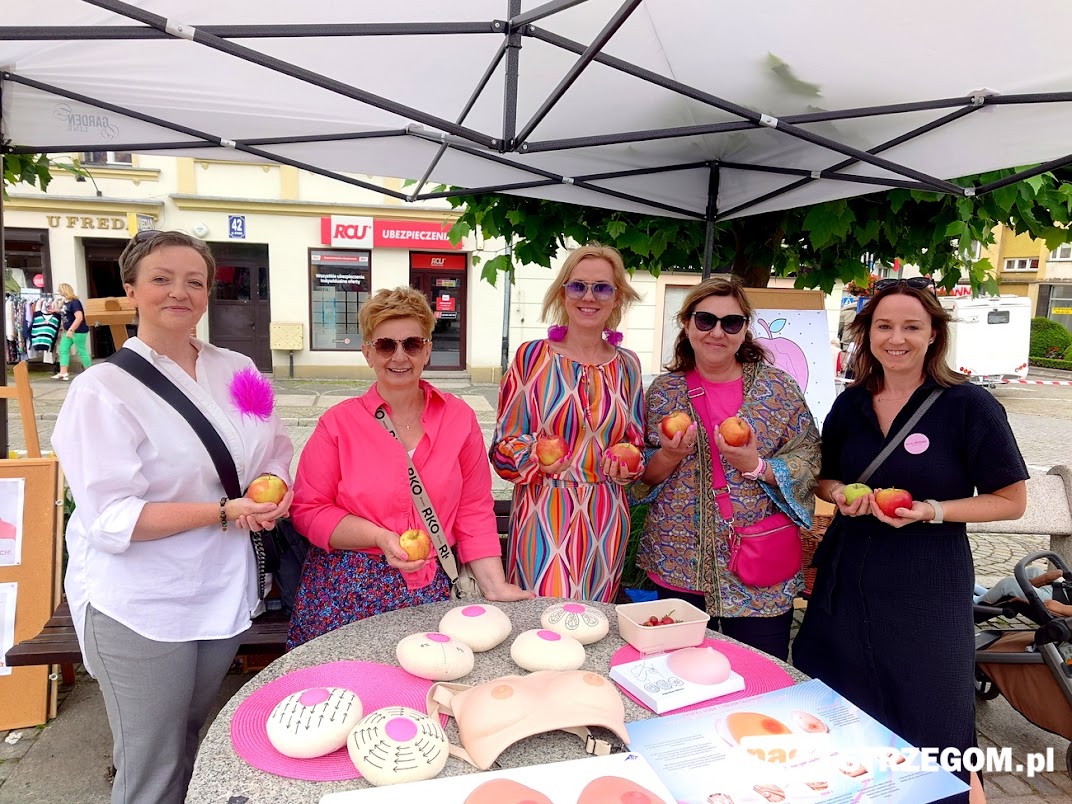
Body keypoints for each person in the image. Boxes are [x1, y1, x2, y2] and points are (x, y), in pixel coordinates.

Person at [51, 230, 294, 804]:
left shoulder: (236, 368)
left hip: (222, 591)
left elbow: (272, 445)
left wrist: (275, 489)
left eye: (194, 281)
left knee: (188, 738)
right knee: (151, 764)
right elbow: (113, 518)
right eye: (161, 279)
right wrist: (225, 510)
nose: (178, 292)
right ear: (131, 288)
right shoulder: (103, 390)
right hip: (142, 604)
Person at [793, 276, 1029, 804]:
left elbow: (1011, 499)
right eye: (884, 326)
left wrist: (934, 511)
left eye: (910, 326)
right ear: (866, 333)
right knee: (841, 708)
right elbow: (824, 477)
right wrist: (842, 495)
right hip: (847, 581)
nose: (895, 338)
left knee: (936, 718)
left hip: (927, 582)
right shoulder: (851, 404)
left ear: (933, 335)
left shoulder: (968, 405)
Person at [288, 287, 530, 647]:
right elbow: (309, 510)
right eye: (386, 345)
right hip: (349, 588)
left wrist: (494, 584)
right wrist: (378, 538)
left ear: (427, 350)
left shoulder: (457, 418)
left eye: (412, 344)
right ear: (368, 352)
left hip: (431, 586)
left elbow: (473, 507)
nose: (399, 356)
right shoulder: (338, 424)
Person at [632, 278, 820, 661]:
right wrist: (668, 455)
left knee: (758, 673)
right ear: (687, 324)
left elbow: (810, 457)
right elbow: (642, 473)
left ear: (745, 329)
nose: (717, 332)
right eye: (705, 320)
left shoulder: (777, 389)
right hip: (679, 559)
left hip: (758, 568)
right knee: (678, 672)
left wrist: (758, 466)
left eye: (731, 323)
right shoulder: (663, 392)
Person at [490, 244, 645, 602]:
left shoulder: (628, 366)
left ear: (616, 296)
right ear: (563, 292)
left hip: (607, 515)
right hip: (544, 509)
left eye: (602, 287)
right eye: (578, 286)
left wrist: (628, 467)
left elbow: (636, 442)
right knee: (543, 624)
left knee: (593, 623)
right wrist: (534, 456)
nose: (589, 297)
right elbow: (502, 448)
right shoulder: (532, 358)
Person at [52, 282, 92, 380]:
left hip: (78, 331)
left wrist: (71, 330)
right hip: (68, 330)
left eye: (60, 290)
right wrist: (56, 311)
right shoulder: (65, 302)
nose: (58, 291)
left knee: (81, 350)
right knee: (63, 349)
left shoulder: (75, 302)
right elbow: (66, 313)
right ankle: (63, 372)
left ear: (64, 290)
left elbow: (79, 318)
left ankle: (89, 371)